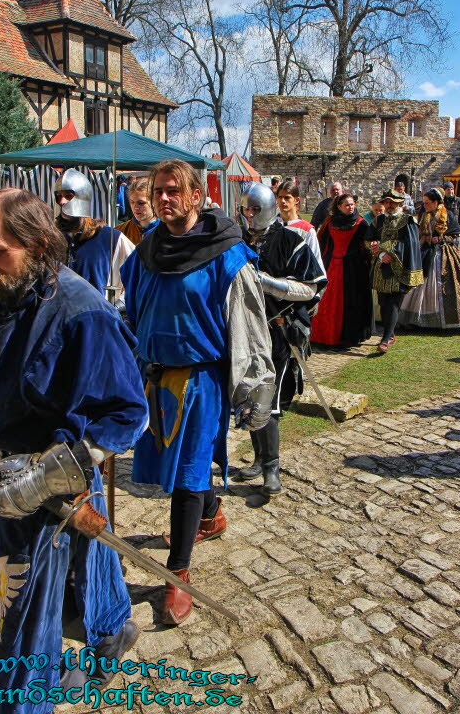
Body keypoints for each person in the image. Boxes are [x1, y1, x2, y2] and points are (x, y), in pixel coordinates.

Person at [0, 188, 149, 713]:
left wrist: (43, 478)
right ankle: (109, 636)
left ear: (38, 243)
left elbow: (128, 415)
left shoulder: (83, 312)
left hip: (51, 489)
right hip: (0, 480)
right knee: (81, 573)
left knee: (21, 619)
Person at [120, 159, 275, 627]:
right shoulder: (147, 251)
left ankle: (177, 575)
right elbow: (131, 310)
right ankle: (211, 514)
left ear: (194, 196)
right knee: (176, 464)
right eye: (158, 191)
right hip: (156, 377)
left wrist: (254, 388)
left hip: (202, 378)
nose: (164, 199)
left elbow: (249, 326)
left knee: (187, 472)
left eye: (173, 191)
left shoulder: (225, 253)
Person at [237, 182, 327, 493]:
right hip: (243, 330)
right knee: (248, 395)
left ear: (270, 209)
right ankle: (259, 459)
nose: (249, 215)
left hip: (277, 330)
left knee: (268, 399)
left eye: (255, 209)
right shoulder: (237, 242)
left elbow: (312, 287)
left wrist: (267, 283)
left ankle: (271, 470)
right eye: (245, 209)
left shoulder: (292, 240)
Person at [399, 188, 460, 330]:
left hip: (444, 254)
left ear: (436, 202)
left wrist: (441, 238)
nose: (424, 205)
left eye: (427, 202)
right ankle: (418, 319)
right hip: (426, 252)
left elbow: (456, 235)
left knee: (444, 285)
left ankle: (450, 318)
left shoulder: (447, 215)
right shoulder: (425, 215)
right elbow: (420, 233)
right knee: (421, 283)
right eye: (424, 202)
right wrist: (424, 239)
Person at [55, 168, 133, 300]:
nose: (62, 201)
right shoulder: (51, 237)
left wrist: (121, 303)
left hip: (97, 317)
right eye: (58, 196)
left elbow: (141, 275)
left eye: (68, 196)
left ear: (82, 197)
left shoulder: (110, 238)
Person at [365, 188, 424, 353]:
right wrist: (379, 251)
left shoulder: (408, 221)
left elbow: (409, 244)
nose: (389, 205)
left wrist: (385, 248)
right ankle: (389, 334)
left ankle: (386, 337)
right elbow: (368, 240)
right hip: (380, 267)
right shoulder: (379, 220)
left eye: (393, 202)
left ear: (400, 203)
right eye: (387, 202)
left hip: (398, 268)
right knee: (383, 302)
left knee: (393, 302)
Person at [311, 194, 373, 347]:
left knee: (351, 302)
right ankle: (324, 335)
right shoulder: (330, 222)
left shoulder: (361, 223)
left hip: (353, 269)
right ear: (338, 206)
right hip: (332, 266)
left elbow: (367, 245)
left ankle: (348, 337)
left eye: (352, 204)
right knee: (328, 301)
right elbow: (322, 243)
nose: (350, 207)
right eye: (347, 205)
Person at [276, 179, 324, 267]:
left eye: (287, 197)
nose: (282, 201)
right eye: (280, 197)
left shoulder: (306, 230)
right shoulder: (270, 226)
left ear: (296, 199)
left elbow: (316, 262)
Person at [116, 177, 159, 246]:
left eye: (141, 203)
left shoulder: (167, 231)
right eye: (132, 202)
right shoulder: (120, 231)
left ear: (154, 202)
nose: (135, 207)